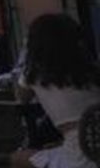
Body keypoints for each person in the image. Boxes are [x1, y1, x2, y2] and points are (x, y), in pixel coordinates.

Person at [11, 14, 100, 168]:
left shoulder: (34, 75)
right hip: (93, 147)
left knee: (17, 159)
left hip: (78, 158)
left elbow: (21, 98)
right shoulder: (90, 71)